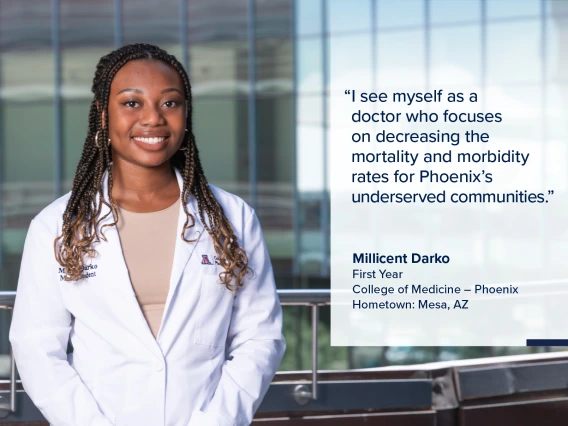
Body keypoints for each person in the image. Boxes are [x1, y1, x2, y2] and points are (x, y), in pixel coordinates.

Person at [9, 43, 286, 426]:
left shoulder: (233, 218)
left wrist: (216, 421)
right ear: (103, 116)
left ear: (185, 115)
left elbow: (260, 338)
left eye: (169, 103)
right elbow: (37, 348)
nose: (153, 119)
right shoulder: (56, 225)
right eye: (132, 103)